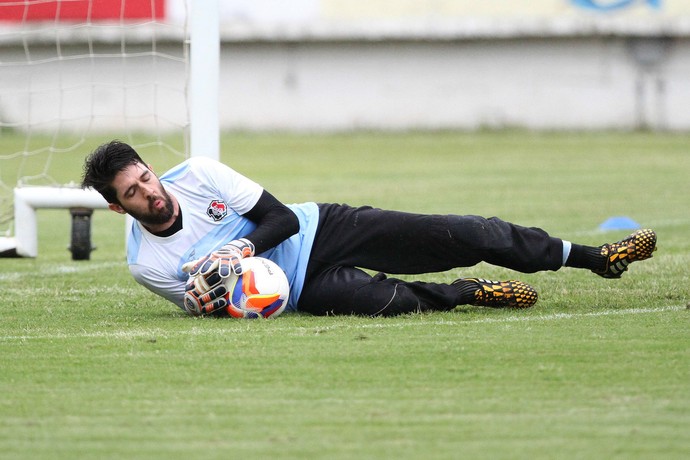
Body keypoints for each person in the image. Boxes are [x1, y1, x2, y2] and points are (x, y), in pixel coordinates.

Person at [81, 140, 657, 317]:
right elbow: (205, 306)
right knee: (394, 304)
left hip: (320, 229)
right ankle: (470, 293)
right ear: (117, 208)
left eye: (147, 177)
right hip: (298, 290)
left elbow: (278, 218)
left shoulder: (200, 175)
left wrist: (240, 247)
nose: (151, 193)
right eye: (133, 192)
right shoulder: (146, 265)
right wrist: (218, 295)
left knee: (459, 233)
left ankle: (594, 256)